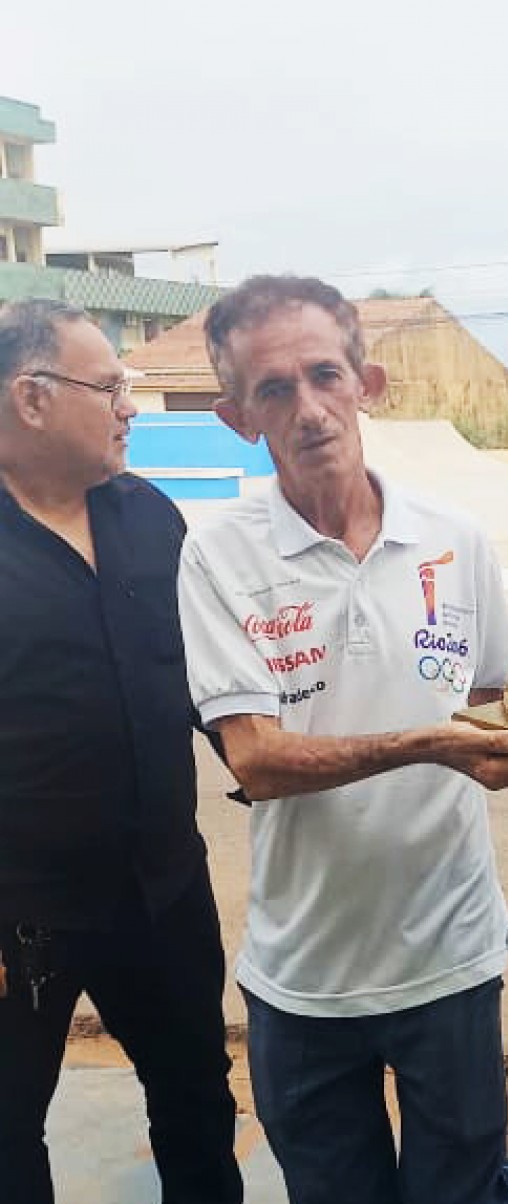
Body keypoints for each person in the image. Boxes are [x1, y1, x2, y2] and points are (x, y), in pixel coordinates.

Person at [176, 276, 508, 1204]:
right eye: (273, 390)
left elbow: (490, 718)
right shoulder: (219, 556)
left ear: (369, 381)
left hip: (450, 953)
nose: (309, 408)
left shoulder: (455, 539)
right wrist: (428, 744)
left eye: (325, 374)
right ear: (238, 416)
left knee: (460, 1190)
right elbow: (255, 758)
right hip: (303, 977)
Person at [0, 299, 242, 1204]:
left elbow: (196, 675)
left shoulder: (150, 517)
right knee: (7, 1127)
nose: (129, 406)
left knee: (194, 1095)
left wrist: (262, 755)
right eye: (110, 387)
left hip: (162, 891)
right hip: (19, 913)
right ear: (31, 399)